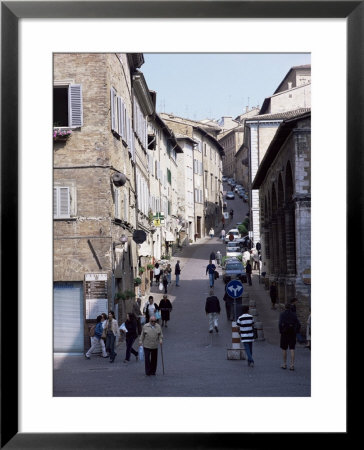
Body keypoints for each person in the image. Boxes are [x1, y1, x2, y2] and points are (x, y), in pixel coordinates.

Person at [279, 303, 301, 370]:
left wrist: (281, 331)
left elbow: (280, 324)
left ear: (285, 307)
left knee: (284, 348)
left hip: (284, 333)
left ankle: (285, 364)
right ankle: (292, 365)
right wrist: (296, 331)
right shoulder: (294, 315)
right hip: (292, 333)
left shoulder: (282, 314)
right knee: (292, 348)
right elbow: (298, 324)